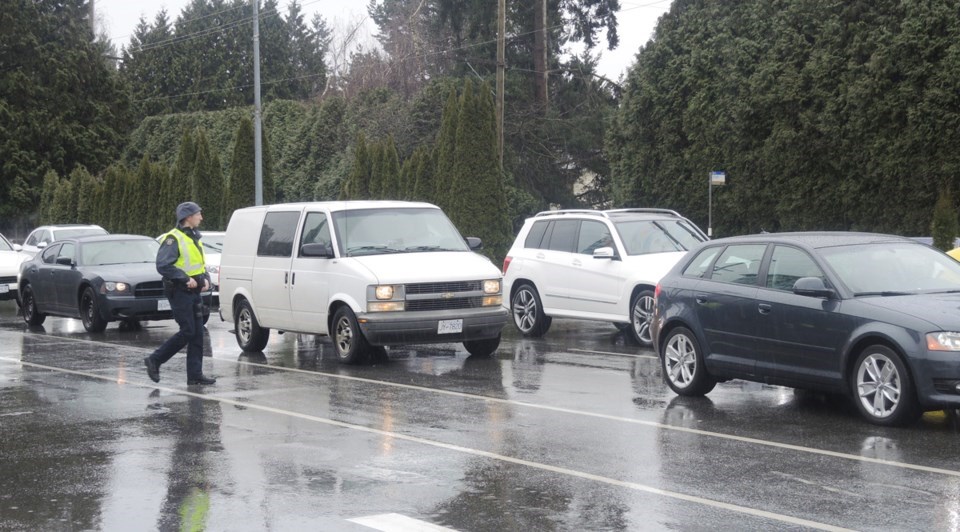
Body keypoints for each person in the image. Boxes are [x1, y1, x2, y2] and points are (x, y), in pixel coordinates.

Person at [144, 201, 216, 385]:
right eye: (198, 214)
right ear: (188, 217)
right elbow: (163, 265)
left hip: (194, 292)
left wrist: (205, 277)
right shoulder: (172, 239)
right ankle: (155, 360)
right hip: (179, 291)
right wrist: (184, 278)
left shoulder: (194, 237)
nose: (201, 217)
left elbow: (199, 263)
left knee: (198, 333)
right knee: (188, 331)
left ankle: (195, 375)